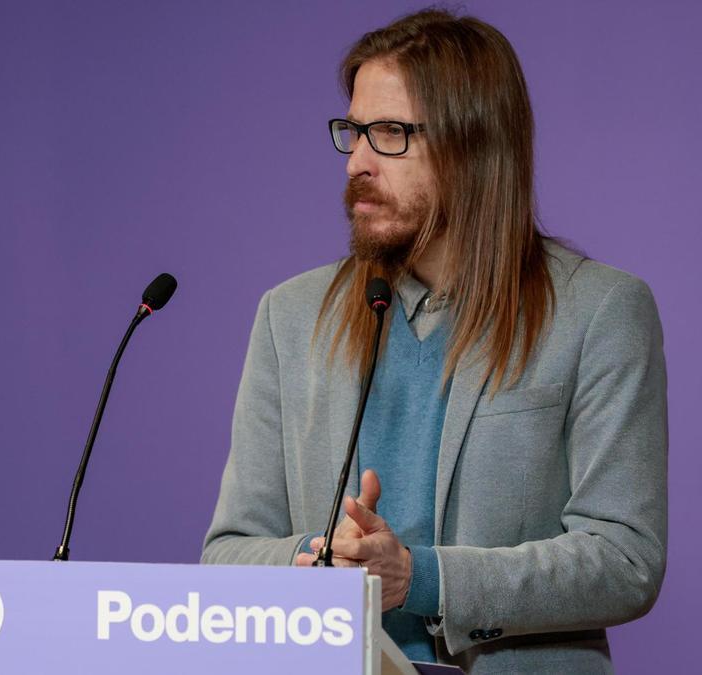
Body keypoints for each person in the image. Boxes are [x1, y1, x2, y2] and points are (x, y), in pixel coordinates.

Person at [200, 8, 667, 673]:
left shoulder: (601, 312)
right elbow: (228, 552)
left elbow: (625, 558)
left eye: (389, 133)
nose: (356, 161)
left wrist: (420, 578)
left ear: (473, 146)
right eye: (353, 131)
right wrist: (319, 555)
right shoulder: (289, 315)